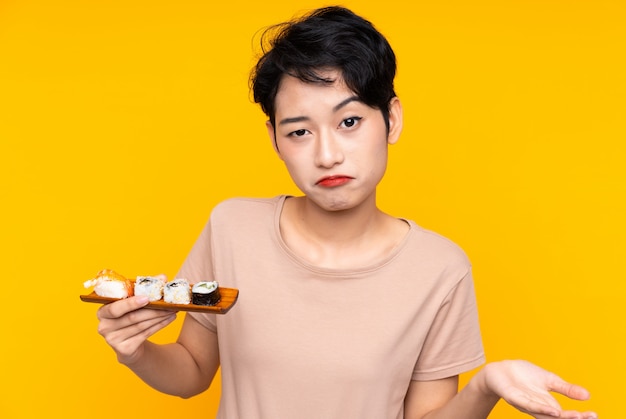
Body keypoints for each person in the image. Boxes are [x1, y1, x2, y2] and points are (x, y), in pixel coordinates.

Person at [96, 6, 597, 419]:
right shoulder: (231, 228)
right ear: (274, 140)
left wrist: (485, 386)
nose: (327, 154)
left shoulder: (441, 268)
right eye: (299, 131)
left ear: (391, 119)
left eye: (350, 121)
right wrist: (135, 350)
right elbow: (190, 375)